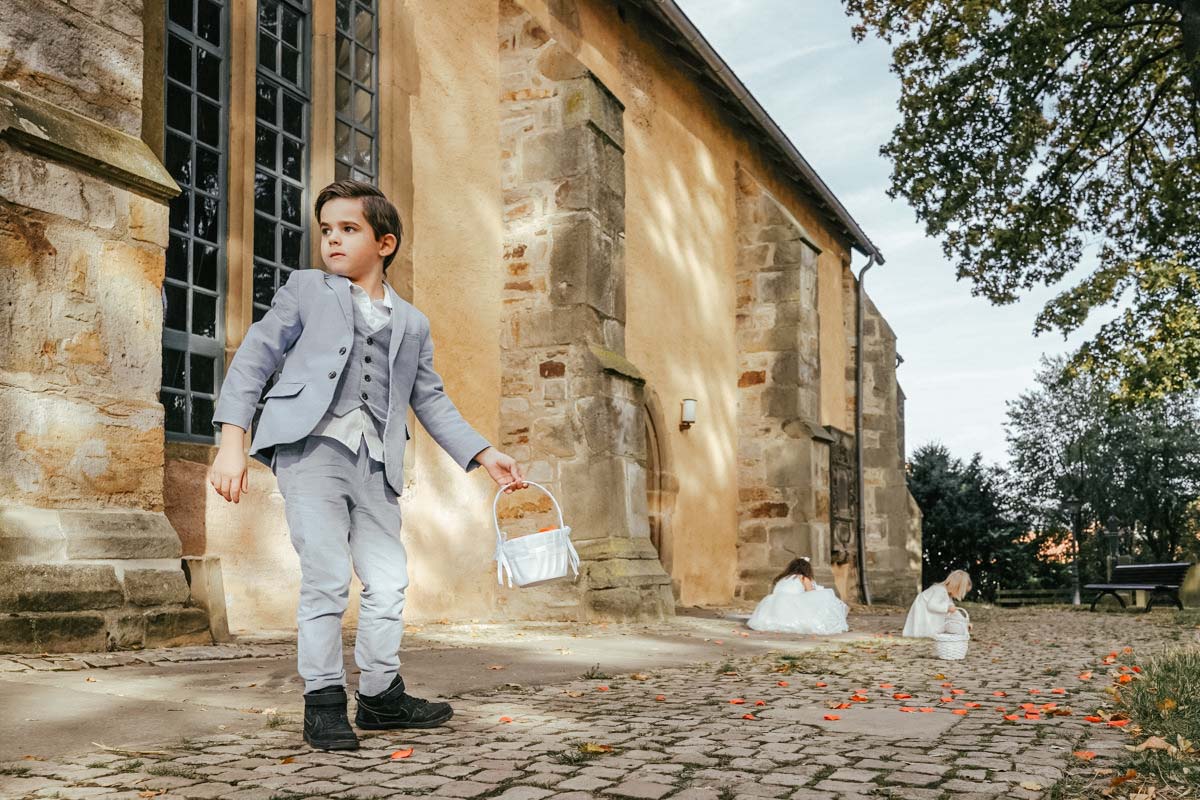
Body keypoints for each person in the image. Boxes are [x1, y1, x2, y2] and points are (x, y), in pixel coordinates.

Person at [207, 180, 526, 751]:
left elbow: (430, 398)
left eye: (348, 229)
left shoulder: (413, 323)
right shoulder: (306, 289)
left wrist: (484, 452)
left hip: (377, 460)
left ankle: (380, 697)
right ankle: (324, 700)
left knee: (388, 580)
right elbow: (256, 359)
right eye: (326, 229)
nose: (332, 240)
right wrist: (233, 442)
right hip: (312, 451)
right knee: (327, 578)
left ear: (385, 243)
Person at [747, 557, 850, 634]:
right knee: (824, 595)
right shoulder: (803, 578)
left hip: (773, 604)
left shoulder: (784, 578)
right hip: (791, 604)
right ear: (807, 569)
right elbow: (811, 593)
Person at [902, 570, 972, 638]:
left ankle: (931, 632)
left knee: (945, 617)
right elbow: (931, 606)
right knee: (927, 629)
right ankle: (924, 632)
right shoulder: (940, 590)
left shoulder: (947, 594)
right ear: (956, 587)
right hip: (923, 609)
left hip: (928, 609)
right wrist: (947, 608)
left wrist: (964, 623)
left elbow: (954, 611)